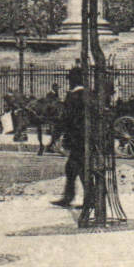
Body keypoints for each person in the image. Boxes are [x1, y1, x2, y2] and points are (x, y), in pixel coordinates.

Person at [52, 68, 86, 208]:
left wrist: (56, 135)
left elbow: (65, 119)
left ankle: (88, 199)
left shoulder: (73, 96)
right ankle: (69, 197)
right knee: (74, 168)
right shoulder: (88, 94)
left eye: (70, 80)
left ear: (73, 80)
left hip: (76, 138)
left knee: (78, 168)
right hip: (85, 138)